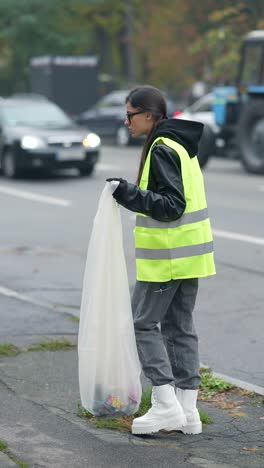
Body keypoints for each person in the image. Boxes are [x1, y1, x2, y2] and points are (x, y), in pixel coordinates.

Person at [106, 85, 216, 436]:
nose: (126, 121)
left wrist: (127, 193)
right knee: (179, 327)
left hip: (168, 258)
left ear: (149, 115)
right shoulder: (180, 144)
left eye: (130, 114)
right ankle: (188, 411)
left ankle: (166, 405)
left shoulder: (162, 147)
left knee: (141, 323)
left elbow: (172, 205)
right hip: (190, 254)